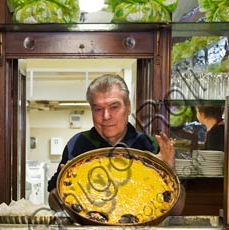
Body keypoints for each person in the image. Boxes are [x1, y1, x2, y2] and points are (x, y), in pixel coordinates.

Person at [47, 73, 185, 215]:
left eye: (114, 107)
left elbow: (176, 211)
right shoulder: (76, 144)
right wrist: (62, 191)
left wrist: (171, 172)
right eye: (98, 109)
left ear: (128, 107)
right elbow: (54, 204)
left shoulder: (150, 146)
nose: (106, 116)